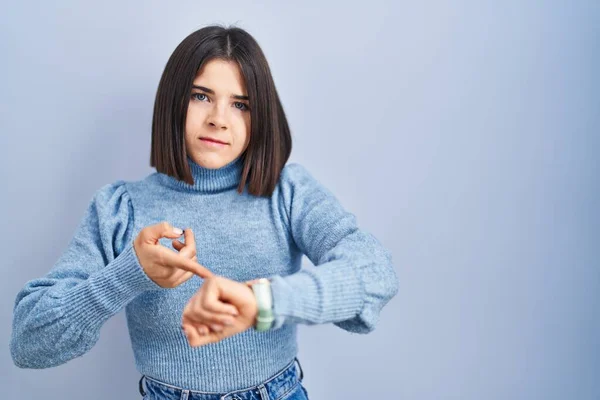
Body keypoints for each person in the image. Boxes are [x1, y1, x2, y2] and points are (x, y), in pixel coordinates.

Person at [9, 25, 399, 400]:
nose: (218, 118)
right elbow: (28, 342)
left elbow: (375, 273)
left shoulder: (289, 193)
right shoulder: (119, 208)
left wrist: (261, 302)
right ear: (174, 101)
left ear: (259, 115)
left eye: (240, 104)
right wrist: (129, 274)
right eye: (201, 96)